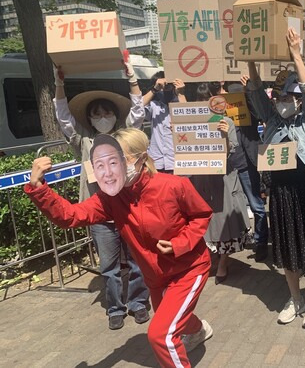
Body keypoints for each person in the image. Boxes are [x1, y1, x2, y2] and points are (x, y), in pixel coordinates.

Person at [25, 129, 214, 367]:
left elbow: (201, 215)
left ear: (141, 159)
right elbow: (69, 216)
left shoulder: (174, 185)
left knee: (161, 335)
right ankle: (198, 330)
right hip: (155, 276)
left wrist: (179, 243)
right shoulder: (111, 198)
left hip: (189, 269)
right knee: (174, 319)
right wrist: (38, 186)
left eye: (119, 160)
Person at [245, 28, 305, 329]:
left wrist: (296, 54)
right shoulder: (270, 121)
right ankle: (295, 297)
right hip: (280, 194)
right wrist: (251, 60)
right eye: (281, 95)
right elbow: (256, 95)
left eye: (291, 96)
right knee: (286, 246)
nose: (285, 100)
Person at [53, 63, 150, 330]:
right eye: (97, 113)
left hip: (129, 209)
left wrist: (131, 77)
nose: (102, 116)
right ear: (90, 118)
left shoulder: (124, 137)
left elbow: (138, 113)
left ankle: (139, 303)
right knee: (109, 267)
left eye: (106, 111)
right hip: (100, 215)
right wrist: (60, 84)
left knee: (137, 260)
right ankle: (116, 308)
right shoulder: (83, 142)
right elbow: (63, 118)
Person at [191, 82, 252, 284]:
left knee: (225, 220)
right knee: (205, 220)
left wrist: (225, 135)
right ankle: (211, 258)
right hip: (201, 179)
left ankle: (224, 261)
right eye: (199, 101)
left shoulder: (227, 122)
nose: (203, 105)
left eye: (206, 99)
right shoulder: (191, 124)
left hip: (223, 178)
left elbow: (232, 152)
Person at [226, 82, 270, 263]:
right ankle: (239, 239)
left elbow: (261, 114)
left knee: (257, 205)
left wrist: (249, 93)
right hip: (230, 162)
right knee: (232, 206)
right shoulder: (222, 108)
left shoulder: (251, 109)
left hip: (249, 161)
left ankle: (261, 242)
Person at [143, 71, 187, 174]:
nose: (164, 89)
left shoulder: (180, 102)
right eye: (161, 87)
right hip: (156, 162)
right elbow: (137, 109)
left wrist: (180, 94)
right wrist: (154, 89)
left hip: (176, 161)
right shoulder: (154, 106)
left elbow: (187, 117)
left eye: (167, 86)